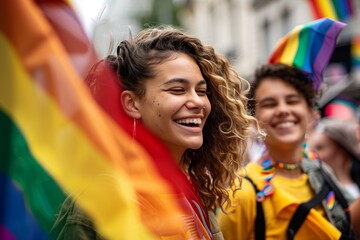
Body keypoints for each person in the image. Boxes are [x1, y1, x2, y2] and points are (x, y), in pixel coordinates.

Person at [51, 26, 257, 239]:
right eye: (177, 90)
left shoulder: (195, 196)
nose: (197, 102)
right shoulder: (102, 200)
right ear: (132, 104)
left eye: (202, 91)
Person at [218, 63, 356, 240]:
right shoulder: (242, 192)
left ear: (311, 113)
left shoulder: (320, 172)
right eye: (269, 104)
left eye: (292, 101)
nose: (283, 110)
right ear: (254, 120)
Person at [309, 118, 360, 199]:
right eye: (310, 148)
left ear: (343, 152)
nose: (311, 153)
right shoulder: (312, 187)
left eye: (320, 148)